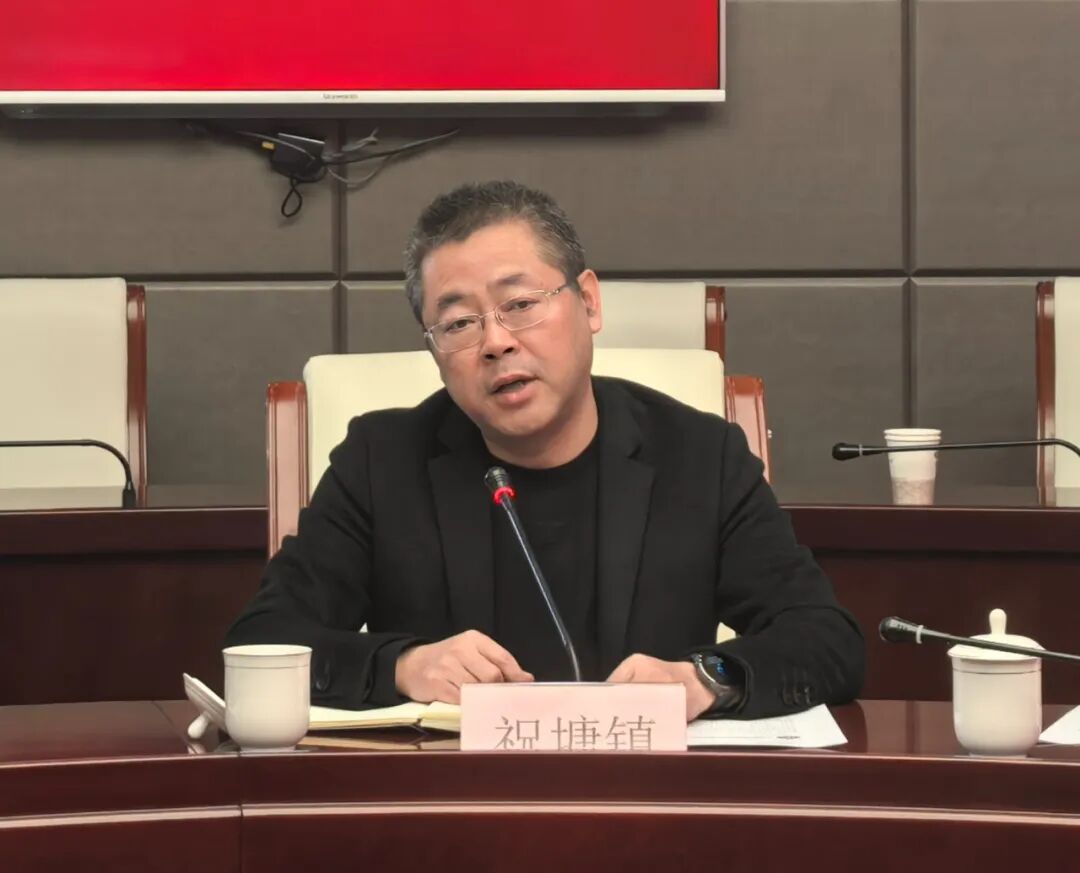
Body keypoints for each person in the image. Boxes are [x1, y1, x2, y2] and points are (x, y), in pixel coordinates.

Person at [225, 180, 864, 721]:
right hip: (451, 804)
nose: (496, 342)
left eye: (521, 304)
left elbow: (828, 640)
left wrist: (706, 678)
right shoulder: (381, 462)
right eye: (459, 323)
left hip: (647, 800)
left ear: (589, 302)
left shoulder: (699, 456)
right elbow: (261, 643)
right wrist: (404, 665)